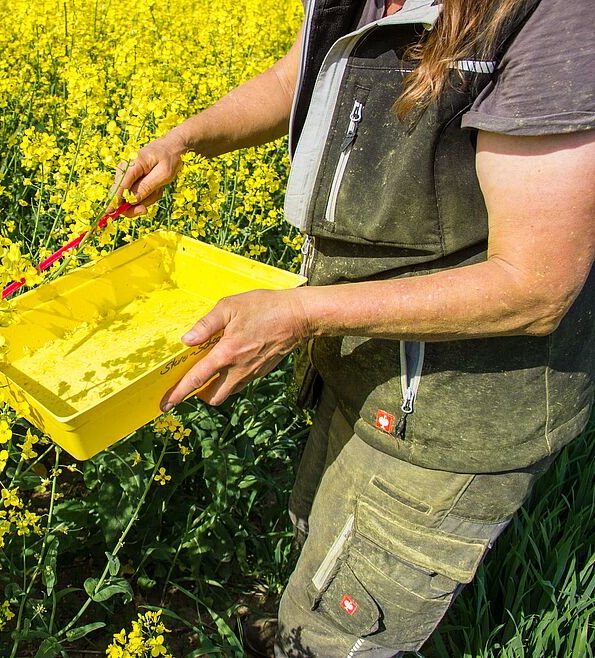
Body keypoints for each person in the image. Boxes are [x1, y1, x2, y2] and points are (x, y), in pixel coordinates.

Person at [111, 0, 595, 655]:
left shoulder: (557, 19)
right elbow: (294, 80)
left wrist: (298, 314)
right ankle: (292, 621)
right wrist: (183, 140)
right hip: (360, 358)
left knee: (344, 632)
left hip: (450, 410)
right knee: (316, 535)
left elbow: (533, 287)